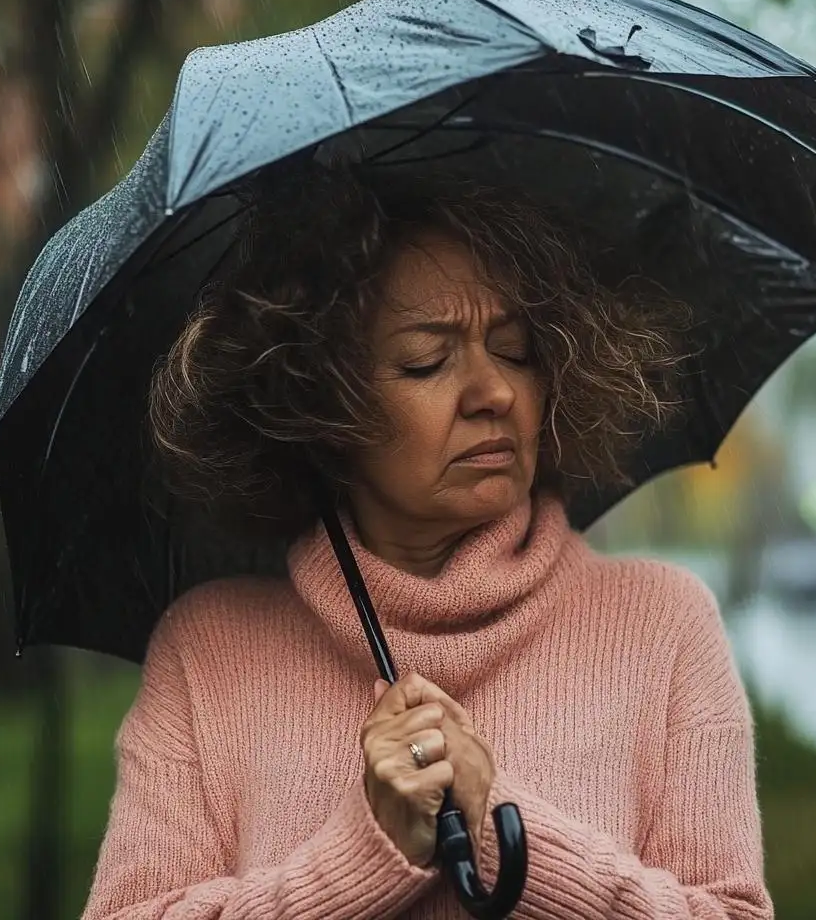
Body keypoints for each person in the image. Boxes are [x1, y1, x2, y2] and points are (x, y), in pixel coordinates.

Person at [82, 161, 770, 920]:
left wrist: (507, 833)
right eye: (428, 361)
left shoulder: (663, 625)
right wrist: (360, 857)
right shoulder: (206, 654)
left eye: (515, 350)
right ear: (318, 401)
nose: (494, 393)